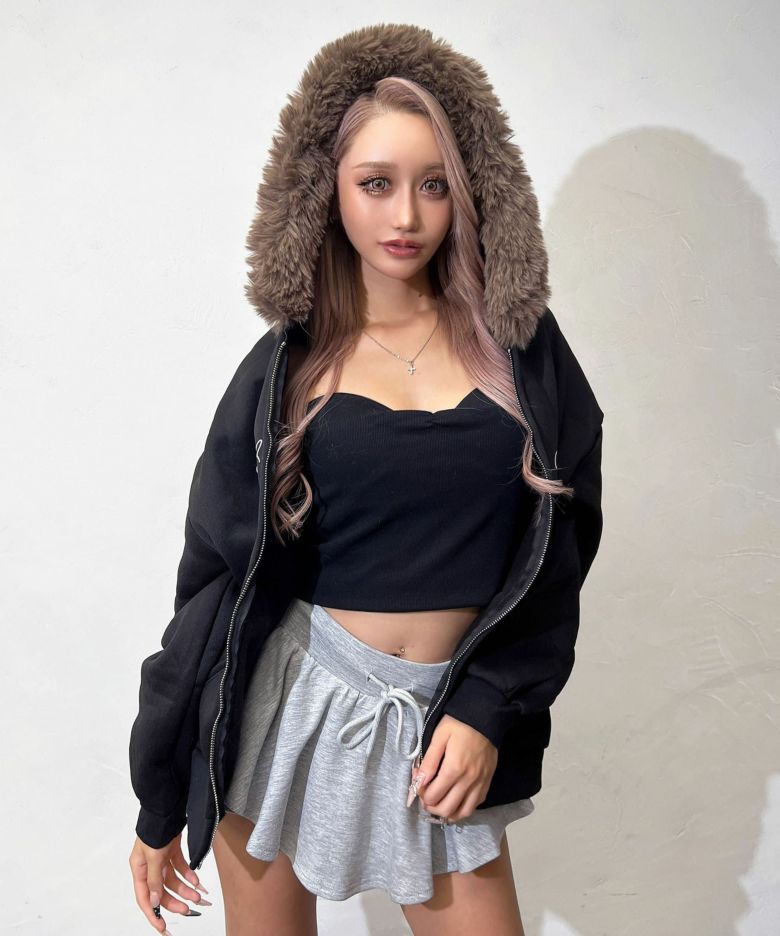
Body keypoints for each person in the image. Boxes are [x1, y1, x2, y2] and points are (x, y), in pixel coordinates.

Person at [128, 22, 604, 936]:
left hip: (446, 720)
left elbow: (562, 559)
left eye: (435, 184)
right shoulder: (287, 367)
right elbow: (212, 579)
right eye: (376, 183)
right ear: (326, 191)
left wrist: (487, 705)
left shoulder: (523, 352)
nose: (406, 217)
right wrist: (159, 798)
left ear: (471, 191)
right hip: (286, 703)